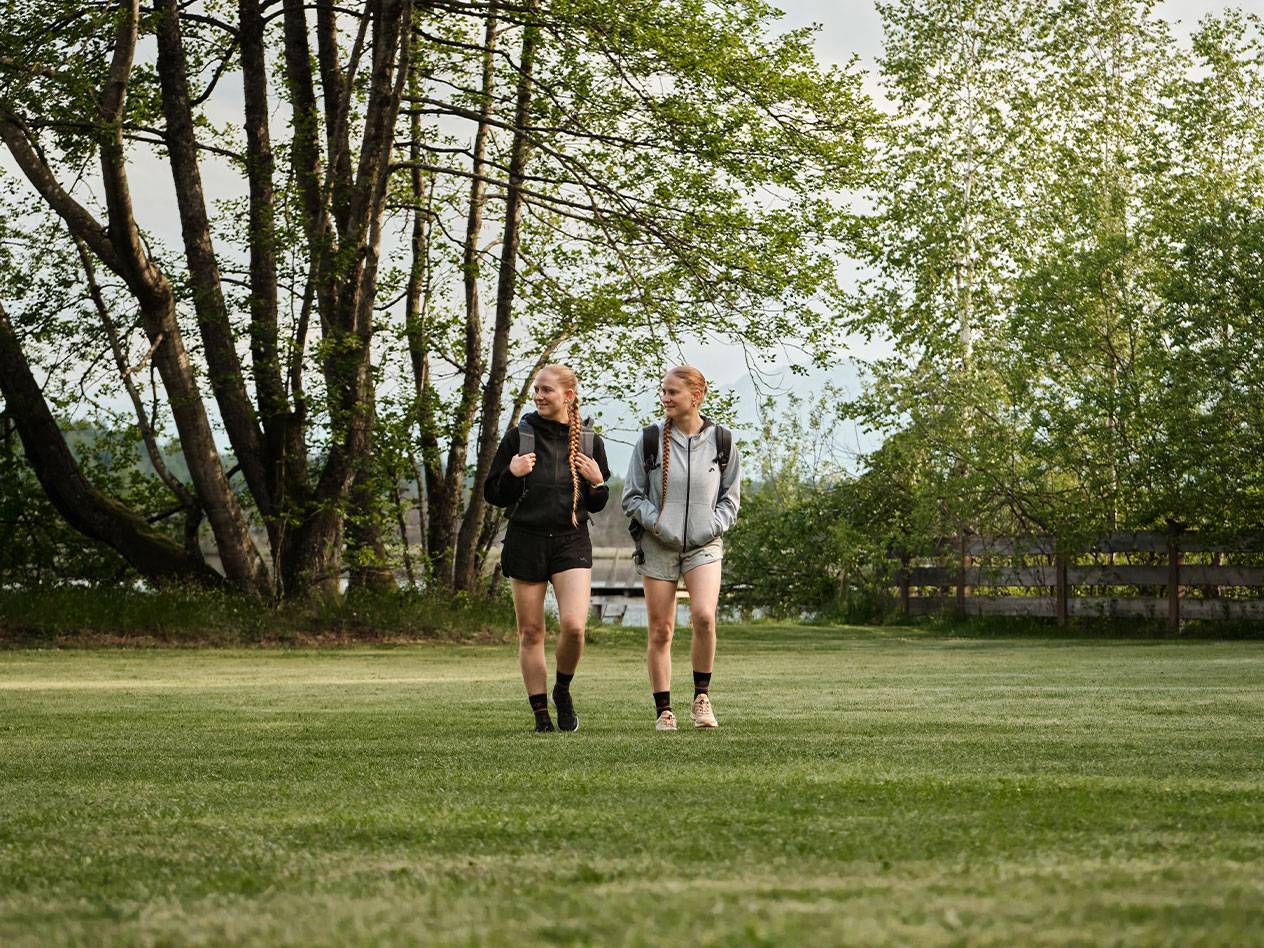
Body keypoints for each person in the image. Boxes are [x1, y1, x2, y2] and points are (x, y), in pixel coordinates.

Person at [484, 364, 611, 732]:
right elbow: (493, 494)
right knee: (531, 633)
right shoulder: (518, 438)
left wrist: (598, 483)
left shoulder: (589, 441)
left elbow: (598, 502)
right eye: (536, 390)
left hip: (571, 539)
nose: (538, 396)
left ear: (567, 396)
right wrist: (513, 473)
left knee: (573, 627)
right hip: (526, 541)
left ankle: (563, 689)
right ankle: (541, 715)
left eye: (546, 390)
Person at [622, 366, 741, 731]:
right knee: (661, 630)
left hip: (704, 546)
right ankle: (664, 711)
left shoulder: (722, 441)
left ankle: (701, 698)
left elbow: (730, 500)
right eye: (664, 392)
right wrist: (659, 524)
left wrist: (710, 526)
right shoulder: (649, 440)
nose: (666, 398)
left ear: (696, 396)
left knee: (704, 616)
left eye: (673, 392)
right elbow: (632, 497)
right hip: (658, 547)